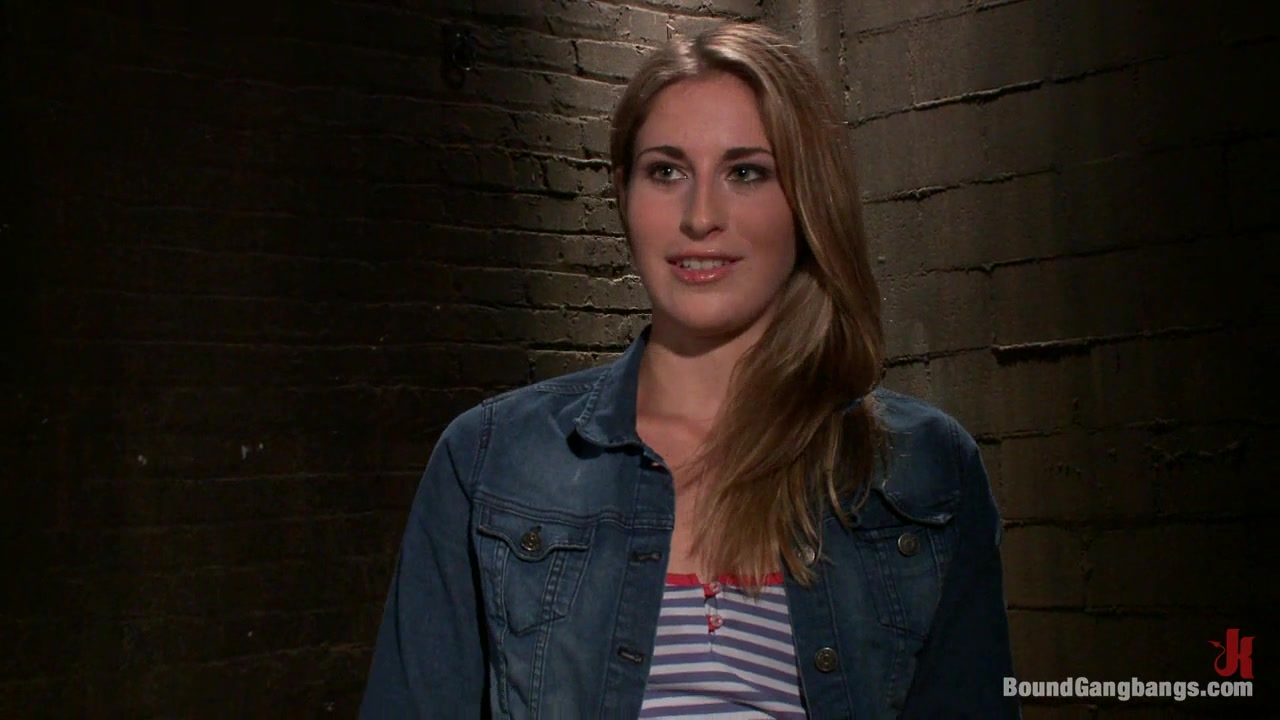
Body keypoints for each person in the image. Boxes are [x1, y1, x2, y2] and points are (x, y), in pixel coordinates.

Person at [361, 21, 1019, 719]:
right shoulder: (491, 460)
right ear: (624, 194)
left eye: (746, 172)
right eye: (667, 172)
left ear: (807, 200)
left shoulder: (922, 470)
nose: (701, 216)